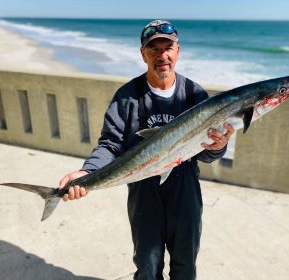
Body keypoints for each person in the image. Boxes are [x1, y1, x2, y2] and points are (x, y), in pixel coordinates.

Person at [59, 19, 234, 280]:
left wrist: (219, 146)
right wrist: (87, 171)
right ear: (143, 54)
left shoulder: (195, 95)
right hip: (142, 190)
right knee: (148, 267)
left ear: (178, 51)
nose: (161, 55)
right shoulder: (127, 96)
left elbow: (206, 153)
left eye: (168, 48)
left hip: (184, 189)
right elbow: (111, 144)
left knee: (186, 265)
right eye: (153, 49)